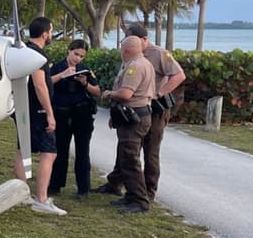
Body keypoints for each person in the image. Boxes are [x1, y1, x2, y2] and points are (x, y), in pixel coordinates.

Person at [96, 23, 185, 200]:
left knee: (150, 150)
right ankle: (116, 182)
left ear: (144, 39)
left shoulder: (159, 53)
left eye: (135, 40)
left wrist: (159, 93)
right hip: (132, 107)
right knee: (127, 147)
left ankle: (148, 190)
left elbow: (179, 75)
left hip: (154, 108)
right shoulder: (133, 55)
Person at [12, 16, 66, 215]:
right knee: (49, 153)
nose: (51, 34)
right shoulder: (36, 56)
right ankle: (41, 199)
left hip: (24, 107)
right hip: (37, 110)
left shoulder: (23, 50)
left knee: (23, 149)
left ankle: (20, 193)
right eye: (51, 31)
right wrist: (50, 113)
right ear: (45, 34)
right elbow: (39, 85)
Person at [100, 36, 156, 214]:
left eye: (121, 49)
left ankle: (139, 200)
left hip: (134, 117)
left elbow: (126, 94)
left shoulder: (135, 67)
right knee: (126, 157)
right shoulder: (145, 63)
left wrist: (109, 93)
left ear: (126, 50)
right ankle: (131, 196)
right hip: (134, 116)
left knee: (130, 159)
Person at [47, 39, 101, 200]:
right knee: (60, 151)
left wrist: (85, 83)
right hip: (61, 113)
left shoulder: (84, 69)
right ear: (69, 51)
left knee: (82, 151)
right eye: (76, 54)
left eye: (81, 56)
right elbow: (44, 84)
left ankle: (83, 188)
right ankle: (55, 185)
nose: (77, 58)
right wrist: (62, 76)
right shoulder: (56, 67)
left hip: (81, 114)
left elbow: (97, 91)